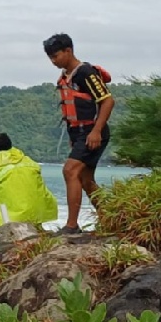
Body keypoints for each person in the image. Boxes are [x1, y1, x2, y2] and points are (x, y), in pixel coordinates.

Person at [43, 33, 115, 234]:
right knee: (85, 179)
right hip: (78, 133)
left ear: (68, 51)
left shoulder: (85, 73)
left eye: (56, 56)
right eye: (50, 57)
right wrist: (73, 138)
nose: (53, 61)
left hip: (92, 132)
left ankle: (72, 225)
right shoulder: (66, 76)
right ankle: (111, 218)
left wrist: (96, 131)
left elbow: (107, 101)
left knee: (70, 171)